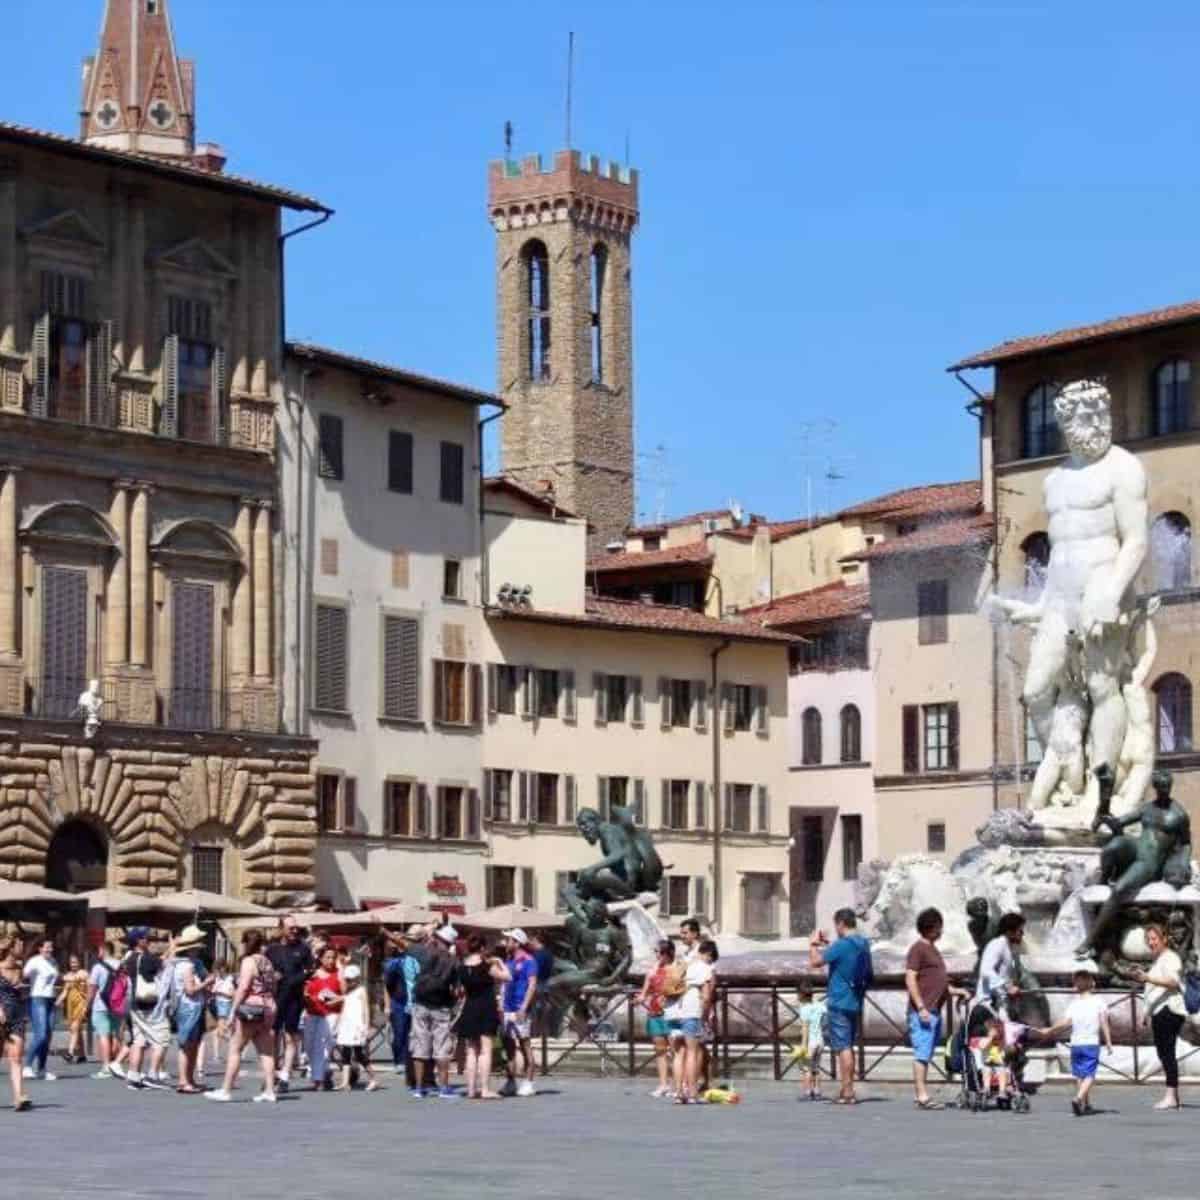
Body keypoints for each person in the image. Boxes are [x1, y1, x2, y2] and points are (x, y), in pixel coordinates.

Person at [904, 907, 968, 1110]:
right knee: (922, 1053)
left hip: (933, 1009)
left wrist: (955, 991)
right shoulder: (918, 949)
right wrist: (920, 1007)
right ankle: (922, 1095)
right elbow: (910, 977)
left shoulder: (932, 949)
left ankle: (922, 1094)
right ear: (932, 928)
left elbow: (937, 981)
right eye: (940, 927)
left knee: (926, 1052)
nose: (942, 931)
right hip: (923, 1010)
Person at [206, 929, 280, 1103]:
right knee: (266, 1052)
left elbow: (244, 986)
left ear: (246, 943)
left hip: (251, 1008)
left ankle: (226, 1089)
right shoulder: (267, 962)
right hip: (269, 1006)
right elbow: (274, 985)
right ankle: (269, 1090)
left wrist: (233, 1010)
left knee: (235, 1049)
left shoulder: (248, 961)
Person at [809, 907, 873, 1106]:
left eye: (836, 925)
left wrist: (812, 944)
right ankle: (848, 1089)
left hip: (838, 1000)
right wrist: (829, 945)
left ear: (840, 924)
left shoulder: (841, 945)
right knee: (849, 1047)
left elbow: (815, 962)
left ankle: (847, 1091)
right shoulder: (863, 943)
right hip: (855, 1000)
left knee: (842, 1047)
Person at [1036, 966, 1113, 1116]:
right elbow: (1104, 1022)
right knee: (1090, 1075)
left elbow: (1065, 1023)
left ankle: (1086, 1104)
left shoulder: (1074, 1004)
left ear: (1076, 986)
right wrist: (1109, 1042)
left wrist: (1050, 1030)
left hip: (1076, 1043)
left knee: (1079, 1075)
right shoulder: (1099, 1002)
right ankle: (1078, 1098)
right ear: (1093, 983)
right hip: (1091, 1042)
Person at [1130, 922, 1187, 1111]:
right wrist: (1146, 1013)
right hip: (1160, 1011)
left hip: (1169, 1010)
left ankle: (1171, 1096)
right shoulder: (1159, 960)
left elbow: (1173, 981)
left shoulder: (1170, 958)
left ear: (1164, 939)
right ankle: (1174, 1096)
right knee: (1164, 1053)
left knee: (1167, 1053)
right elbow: (1153, 991)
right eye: (1148, 940)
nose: (1151, 942)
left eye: (1154, 939)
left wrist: (1147, 978)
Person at [453, 934, 510, 1100]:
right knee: (485, 1050)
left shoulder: (462, 968)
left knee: (471, 1050)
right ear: (483, 948)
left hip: (469, 1008)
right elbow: (507, 977)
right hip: (486, 1008)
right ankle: (484, 1089)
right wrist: (500, 962)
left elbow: (459, 991)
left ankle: (471, 1089)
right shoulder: (486, 966)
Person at [409, 924, 459, 1100]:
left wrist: (384, 931)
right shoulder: (453, 961)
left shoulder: (426, 953)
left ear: (438, 939)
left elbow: (405, 946)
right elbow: (456, 989)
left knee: (420, 1046)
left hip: (421, 1004)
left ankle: (419, 1088)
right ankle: (444, 1088)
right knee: (442, 1048)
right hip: (441, 1007)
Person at [265, 914, 314, 1094]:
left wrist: (296, 979)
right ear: (281, 929)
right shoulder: (272, 950)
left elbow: (311, 970)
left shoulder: (303, 948)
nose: (294, 930)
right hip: (276, 997)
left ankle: (285, 1074)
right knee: (273, 1035)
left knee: (290, 1036)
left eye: (296, 928)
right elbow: (264, 971)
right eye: (290, 927)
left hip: (295, 998)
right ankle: (272, 1073)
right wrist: (272, 977)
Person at [166, 925, 213, 1094]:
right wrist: (206, 984)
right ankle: (183, 1080)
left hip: (193, 1007)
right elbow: (190, 990)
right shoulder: (187, 966)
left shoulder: (188, 964)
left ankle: (189, 1079)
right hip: (189, 1008)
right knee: (187, 1045)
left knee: (193, 1044)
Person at [670, 939, 718, 1105]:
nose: (710, 962)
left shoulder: (685, 963)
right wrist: (706, 1015)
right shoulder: (704, 968)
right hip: (691, 1011)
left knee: (679, 1053)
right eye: (711, 959)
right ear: (709, 954)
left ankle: (677, 1093)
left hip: (676, 1011)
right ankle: (692, 1093)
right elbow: (706, 996)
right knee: (692, 1051)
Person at [123, 927, 170, 1091]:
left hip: (134, 1005)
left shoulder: (128, 958)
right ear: (139, 941)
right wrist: (174, 946)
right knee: (162, 1039)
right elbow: (164, 964)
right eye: (146, 939)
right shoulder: (145, 958)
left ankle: (133, 1076)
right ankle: (152, 1075)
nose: (148, 941)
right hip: (148, 1004)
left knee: (139, 1041)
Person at [500, 928, 539, 1098]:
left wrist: (524, 1006)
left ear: (516, 942)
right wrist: (500, 1004)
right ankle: (510, 1082)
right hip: (508, 1008)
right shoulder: (508, 961)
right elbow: (504, 984)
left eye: (508, 940)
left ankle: (528, 1082)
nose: (505, 943)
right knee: (508, 1046)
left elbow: (532, 984)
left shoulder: (529, 961)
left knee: (524, 1044)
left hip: (520, 1007)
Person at [638, 939, 677, 1098]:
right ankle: (663, 1084)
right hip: (654, 1012)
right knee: (660, 1050)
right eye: (656, 952)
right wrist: (640, 998)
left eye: (659, 952)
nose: (657, 955)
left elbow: (681, 989)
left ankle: (677, 1084)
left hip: (671, 1012)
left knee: (675, 1050)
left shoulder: (676, 968)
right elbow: (645, 992)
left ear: (668, 953)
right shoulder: (653, 969)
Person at [86, 940, 129, 1080]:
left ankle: (106, 1067)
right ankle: (115, 1062)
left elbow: (92, 988)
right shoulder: (121, 965)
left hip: (101, 1005)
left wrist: (88, 1005)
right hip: (118, 1004)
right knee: (117, 1034)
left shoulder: (98, 967)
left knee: (103, 1035)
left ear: (103, 950)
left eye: (99, 950)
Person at [303, 946, 343, 1091]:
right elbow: (305, 992)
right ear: (320, 959)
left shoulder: (339, 974)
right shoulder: (312, 975)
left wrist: (334, 999)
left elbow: (346, 995)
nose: (331, 961)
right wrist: (307, 997)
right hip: (312, 1013)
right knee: (308, 1046)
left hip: (331, 1014)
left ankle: (317, 1079)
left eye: (333, 957)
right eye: (328, 957)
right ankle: (325, 1071)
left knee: (322, 1047)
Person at [334, 964, 379, 1092]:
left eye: (351, 979)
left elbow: (365, 1009)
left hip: (357, 1026)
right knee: (346, 1053)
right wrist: (338, 1024)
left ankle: (373, 1078)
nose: (348, 981)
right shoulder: (347, 992)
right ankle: (345, 1082)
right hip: (347, 1025)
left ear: (357, 979)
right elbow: (344, 1009)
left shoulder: (361, 990)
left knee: (359, 1054)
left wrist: (366, 1025)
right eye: (347, 979)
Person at [21, 938, 60, 1082]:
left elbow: (55, 979)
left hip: (51, 999)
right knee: (41, 1034)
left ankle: (42, 1069)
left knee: (48, 1036)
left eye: (51, 947)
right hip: (38, 999)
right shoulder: (34, 961)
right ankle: (27, 1066)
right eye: (47, 947)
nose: (50, 949)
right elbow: (24, 975)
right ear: (40, 948)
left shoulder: (53, 961)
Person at [0, 938, 31, 1111]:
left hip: (18, 1017)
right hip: (1, 1018)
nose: (22, 948)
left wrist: (22, 990)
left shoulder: (20, 969)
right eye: (20, 945)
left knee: (16, 1057)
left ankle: (19, 1097)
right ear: (11, 948)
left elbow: (21, 994)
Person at [974, 912, 1025, 1011]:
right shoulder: (998, 944)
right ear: (1009, 931)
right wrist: (1008, 987)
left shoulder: (1007, 947)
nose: (1023, 934)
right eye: (1020, 931)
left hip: (999, 1006)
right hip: (988, 1006)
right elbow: (986, 970)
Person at [382, 931, 415, 1078]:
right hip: (398, 1001)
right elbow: (386, 986)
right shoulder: (392, 963)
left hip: (412, 1000)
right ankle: (399, 1061)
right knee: (399, 1032)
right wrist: (387, 1006)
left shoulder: (412, 958)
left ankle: (408, 1061)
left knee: (411, 1033)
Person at [794, 986, 826, 1101]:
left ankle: (808, 1092)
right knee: (816, 1068)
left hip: (810, 1042)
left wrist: (803, 1045)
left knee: (806, 1068)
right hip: (820, 1040)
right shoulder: (820, 1006)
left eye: (797, 994)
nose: (797, 996)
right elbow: (825, 1016)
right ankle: (817, 1091)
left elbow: (805, 1028)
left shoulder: (804, 1009)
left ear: (801, 995)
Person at [59, 954, 90, 1064]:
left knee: (75, 1027)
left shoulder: (83, 973)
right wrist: (58, 1000)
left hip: (81, 1003)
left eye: (75, 962)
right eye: (72, 962)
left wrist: (87, 1005)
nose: (73, 965)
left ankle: (70, 1053)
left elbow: (79, 980)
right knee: (77, 1030)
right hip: (71, 1004)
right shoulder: (69, 974)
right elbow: (65, 991)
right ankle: (82, 1055)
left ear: (79, 962)